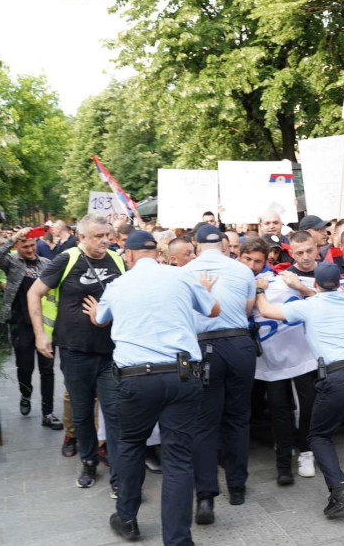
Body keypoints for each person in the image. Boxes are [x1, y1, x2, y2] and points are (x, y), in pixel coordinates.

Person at [83, 230, 219, 544]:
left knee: (130, 446)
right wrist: (204, 291)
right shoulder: (181, 277)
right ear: (156, 254)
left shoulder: (118, 285)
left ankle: (127, 519)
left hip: (135, 380)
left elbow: (101, 319)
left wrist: (94, 313)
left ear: (128, 256)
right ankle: (178, 540)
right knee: (178, 458)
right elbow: (213, 310)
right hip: (183, 376)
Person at [256, 263, 344, 533]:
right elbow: (322, 294)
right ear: (339, 283)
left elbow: (268, 311)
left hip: (338, 379)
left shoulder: (310, 306)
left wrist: (259, 291)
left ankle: (339, 490)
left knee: (317, 436)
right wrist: (302, 288)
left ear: (316, 284)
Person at [28, 214, 125, 493]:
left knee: (114, 413)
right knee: (82, 414)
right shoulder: (66, 259)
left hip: (110, 353)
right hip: (75, 352)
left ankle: (120, 477)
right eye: (98, 236)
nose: (105, 240)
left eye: (107, 234)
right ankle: (89, 462)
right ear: (82, 237)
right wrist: (40, 334)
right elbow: (34, 294)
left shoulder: (117, 260)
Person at [182, 225, 258, 524]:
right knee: (238, 417)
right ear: (223, 244)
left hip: (206, 348)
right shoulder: (242, 271)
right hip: (240, 344)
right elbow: (249, 309)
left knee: (204, 423)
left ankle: (205, 496)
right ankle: (237, 487)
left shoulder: (186, 273)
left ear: (196, 244)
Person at [0, 227, 61, 428]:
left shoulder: (46, 264)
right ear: (17, 247)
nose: (30, 249)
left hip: (45, 325)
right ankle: (25, 393)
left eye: (32, 245)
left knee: (47, 369)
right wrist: (12, 239)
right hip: (21, 323)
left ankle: (48, 412)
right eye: (25, 246)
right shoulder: (12, 262)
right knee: (25, 367)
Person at [266, 231, 319, 481]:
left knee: (308, 405)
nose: (305, 257)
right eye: (299, 253)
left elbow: (334, 304)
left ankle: (306, 450)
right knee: (279, 406)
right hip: (278, 353)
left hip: (311, 354)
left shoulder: (327, 272)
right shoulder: (281, 277)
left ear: (317, 247)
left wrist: (301, 288)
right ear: (292, 253)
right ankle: (283, 463)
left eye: (309, 250)